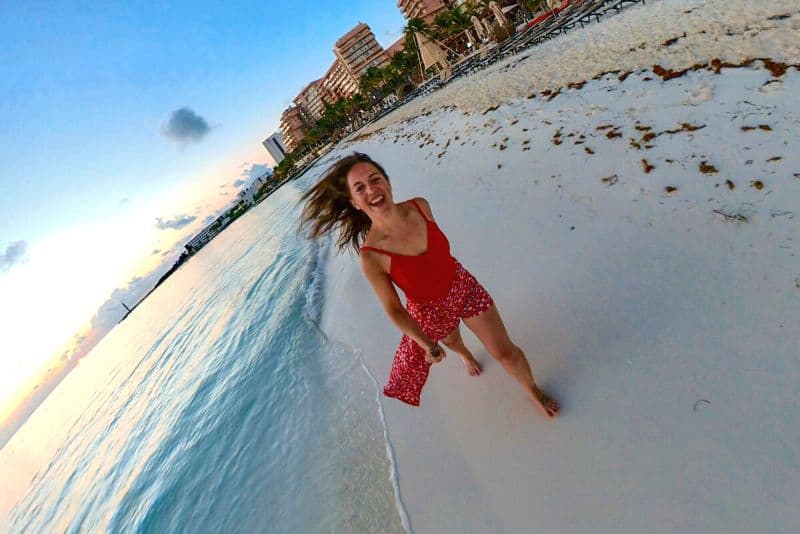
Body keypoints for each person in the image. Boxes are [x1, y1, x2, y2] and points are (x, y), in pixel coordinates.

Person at [300, 152, 559, 417]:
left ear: (387, 182)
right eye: (360, 188)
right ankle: (466, 355)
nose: (372, 190)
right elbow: (394, 309)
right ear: (354, 203)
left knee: (505, 352)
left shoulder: (421, 206)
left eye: (375, 179)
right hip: (430, 311)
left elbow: (438, 258)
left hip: (462, 286)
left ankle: (533, 390)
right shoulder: (371, 256)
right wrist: (427, 345)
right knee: (454, 340)